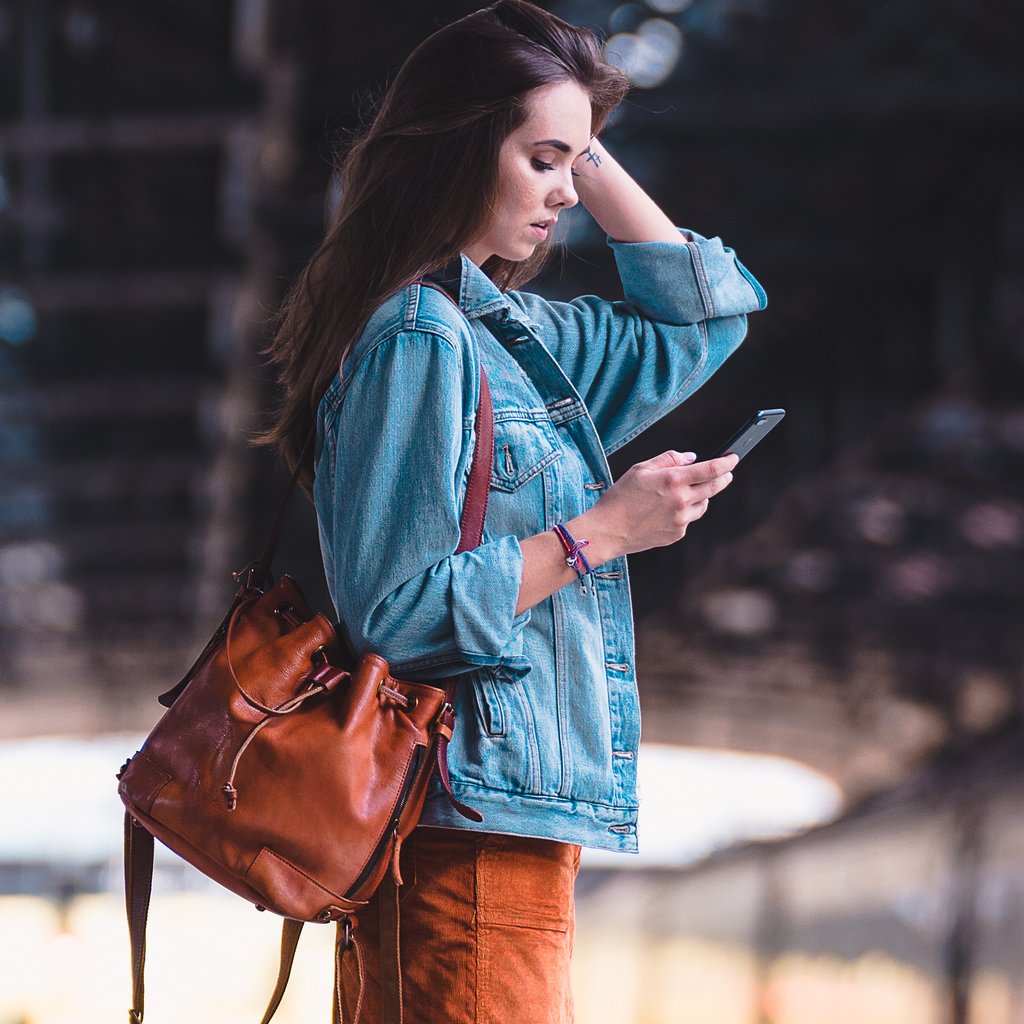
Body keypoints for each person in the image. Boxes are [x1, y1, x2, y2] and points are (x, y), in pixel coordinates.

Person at [263, 1, 766, 1020]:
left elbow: (708, 315)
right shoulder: (421, 337)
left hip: (495, 831)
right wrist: (604, 532)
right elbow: (397, 614)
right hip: (466, 838)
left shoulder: (502, 338)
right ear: (457, 147)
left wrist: (575, 139)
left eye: (575, 166)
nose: (566, 194)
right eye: (541, 162)